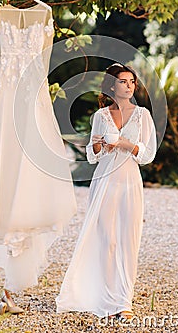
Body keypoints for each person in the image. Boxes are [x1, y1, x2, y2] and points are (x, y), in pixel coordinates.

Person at [0, 0, 77, 314]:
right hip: (11, 109)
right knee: (7, 173)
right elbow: (2, 70)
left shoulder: (42, 14)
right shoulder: (4, 14)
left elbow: (0, 68)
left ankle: (10, 286)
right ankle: (8, 286)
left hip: (23, 106)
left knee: (26, 178)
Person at [56, 63, 157, 319]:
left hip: (129, 181)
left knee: (128, 239)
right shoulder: (100, 116)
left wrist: (126, 144)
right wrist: (100, 146)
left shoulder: (142, 115)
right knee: (107, 240)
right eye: (123, 81)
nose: (129, 86)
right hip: (104, 180)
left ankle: (124, 302)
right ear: (112, 86)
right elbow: (91, 155)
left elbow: (148, 154)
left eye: (132, 81)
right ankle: (106, 297)